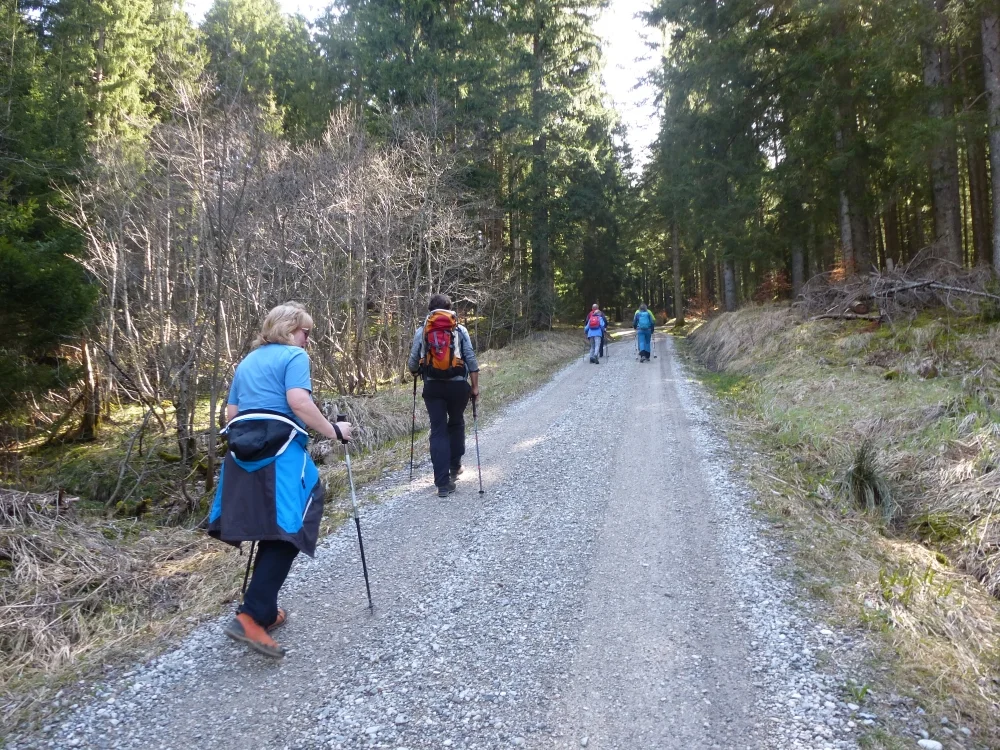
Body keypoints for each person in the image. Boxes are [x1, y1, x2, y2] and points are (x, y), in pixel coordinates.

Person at [209, 302, 352, 659]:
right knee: (292, 526)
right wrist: (334, 431)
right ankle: (251, 617)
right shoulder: (294, 357)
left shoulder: (247, 361)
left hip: (242, 455)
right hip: (282, 453)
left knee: (271, 527)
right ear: (289, 330)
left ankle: (265, 611)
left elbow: (231, 413)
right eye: (306, 332)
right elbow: (298, 402)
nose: (307, 340)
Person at [407, 293, 480, 498]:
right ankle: (455, 467)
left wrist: (417, 371)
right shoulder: (460, 330)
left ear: (430, 310)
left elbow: (412, 362)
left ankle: (442, 484)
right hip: (458, 387)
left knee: (438, 430)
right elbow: (471, 359)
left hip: (433, 387)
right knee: (456, 422)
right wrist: (475, 387)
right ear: (450, 309)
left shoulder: (423, 330)